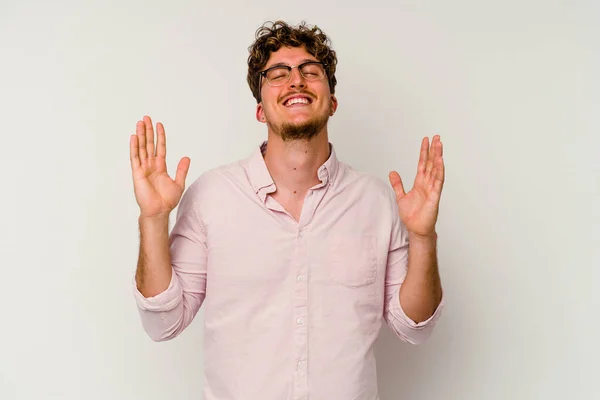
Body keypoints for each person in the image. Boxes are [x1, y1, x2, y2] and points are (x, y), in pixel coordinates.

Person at [129, 20, 445, 400]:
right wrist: (153, 219)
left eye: (311, 72)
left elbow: (413, 328)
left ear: (332, 101)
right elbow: (163, 322)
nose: (296, 81)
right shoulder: (211, 196)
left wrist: (423, 238)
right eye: (278, 74)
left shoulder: (375, 201)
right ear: (260, 109)